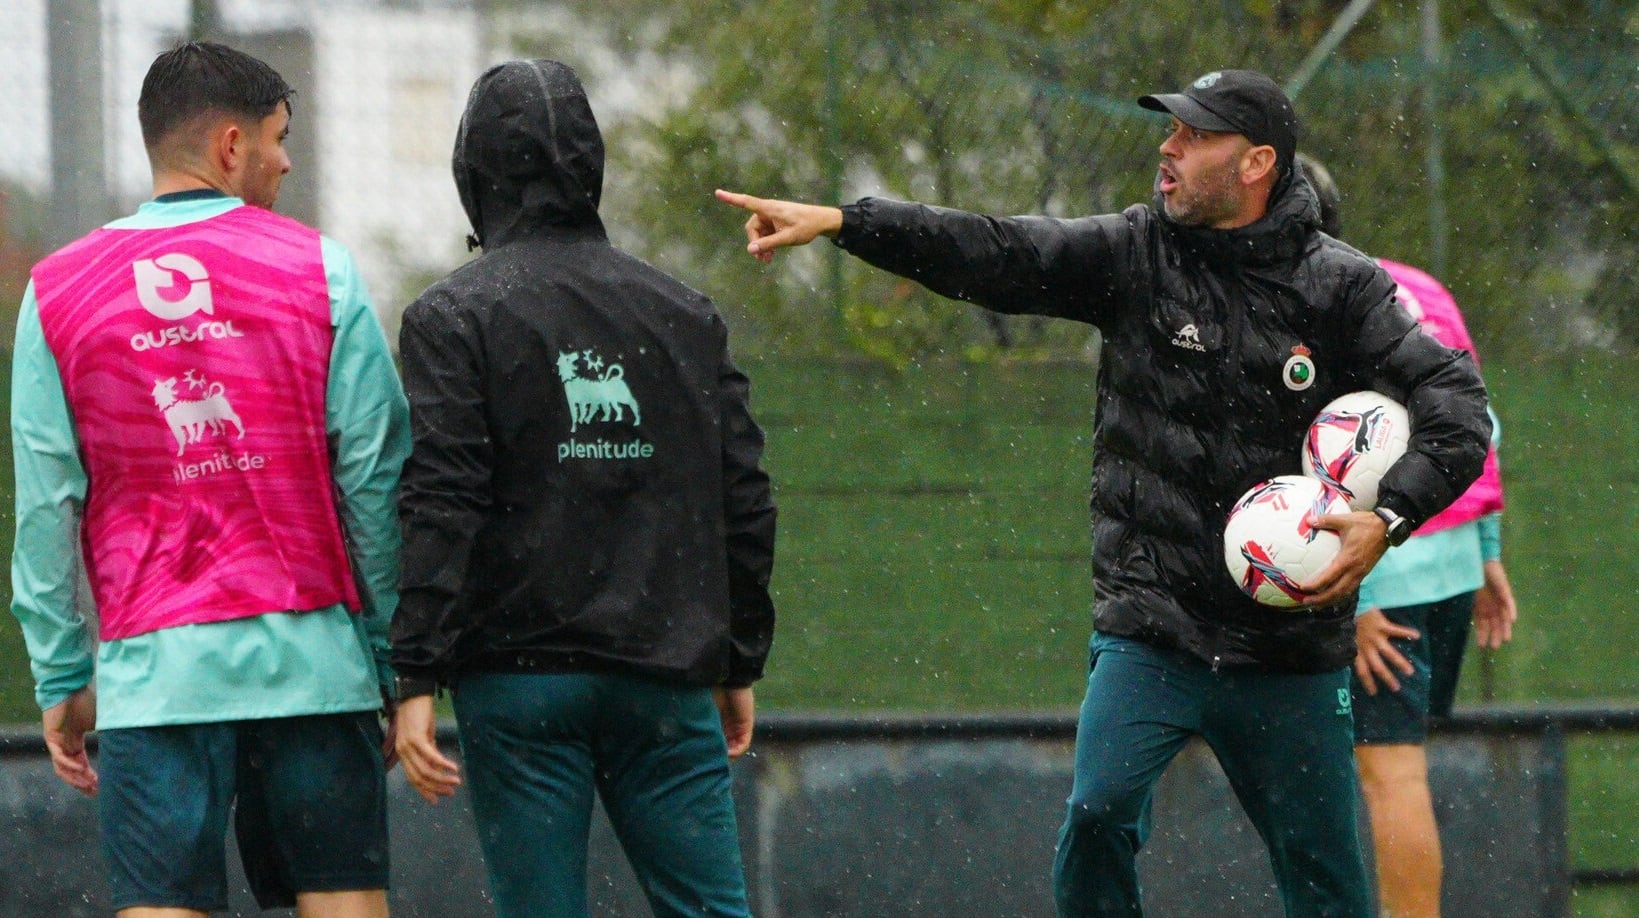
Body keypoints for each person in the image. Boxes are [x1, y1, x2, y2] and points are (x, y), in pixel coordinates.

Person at [718, 69, 1492, 916]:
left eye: (1195, 136)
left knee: (1328, 880)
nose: (1167, 148)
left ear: (1256, 163)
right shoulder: (1133, 254)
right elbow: (995, 250)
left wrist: (1385, 519)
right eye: (1170, 130)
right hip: (1152, 627)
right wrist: (842, 222)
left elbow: (1456, 405)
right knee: (1096, 814)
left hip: (1289, 650)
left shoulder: (1339, 286)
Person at [8, 42, 407, 917]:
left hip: (155, 683)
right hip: (315, 669)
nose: (287, 160)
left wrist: (62, 677)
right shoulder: (322, 270)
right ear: (231, 147)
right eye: (278, 138)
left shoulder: (57, 292)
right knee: (343, 902)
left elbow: (45, 506)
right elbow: (376, 481)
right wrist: (388, 656)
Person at [390, 60, 777, 918]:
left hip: (518, 680)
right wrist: (737, 654)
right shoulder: (683, 312)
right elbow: (743, 496)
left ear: (473, 172)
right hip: (667, 671)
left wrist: (413, 674)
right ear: (591, 167)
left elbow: (441, 500)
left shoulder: (452, 316)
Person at [1300, 154, 1519, 917]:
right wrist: (1486, 556)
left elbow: (1319, 468)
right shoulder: (1418, 285)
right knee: (1397, 766)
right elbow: (1475, 423)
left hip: (1378, 577)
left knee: (1388, 774)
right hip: (1454, 567)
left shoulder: (1309, 308)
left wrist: (1354, 595)